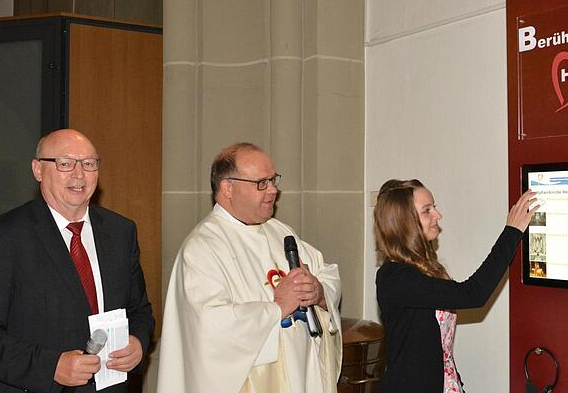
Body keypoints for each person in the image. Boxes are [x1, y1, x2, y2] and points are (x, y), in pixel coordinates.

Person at [0, 129, 155, 393]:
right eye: (65, 163)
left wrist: (138, 343)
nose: (79, 174)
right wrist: (50, 367)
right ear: (38, 170)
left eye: (89, 163)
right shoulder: (6, 237)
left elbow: (139, 310)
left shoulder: (121, 232)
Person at [156, 142, 342, 392]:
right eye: (261, 183)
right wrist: (276, 309)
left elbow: (326, 272)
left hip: (300, 375)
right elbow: (208, 328)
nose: (273, 190)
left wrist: (318, 292)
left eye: (273, 180)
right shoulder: (202, 249)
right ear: (227, 188)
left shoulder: (280, 232)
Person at [374, 179, 537, 393]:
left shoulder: (425, 268)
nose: (437, 216)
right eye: (427, 210)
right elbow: (473, 294)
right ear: (405, 222)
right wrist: (511, 232)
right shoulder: (395, 278)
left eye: (434, 207)